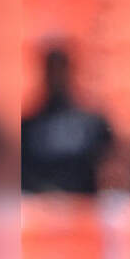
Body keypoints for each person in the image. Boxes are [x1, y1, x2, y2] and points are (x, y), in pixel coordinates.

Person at [21, 47, 114, 194]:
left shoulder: (92, 124)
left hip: (83, 206)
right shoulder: (29, 126)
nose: (56, 77)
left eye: (60, 70)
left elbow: (109, 168)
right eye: (52, 71)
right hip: (42, 207)